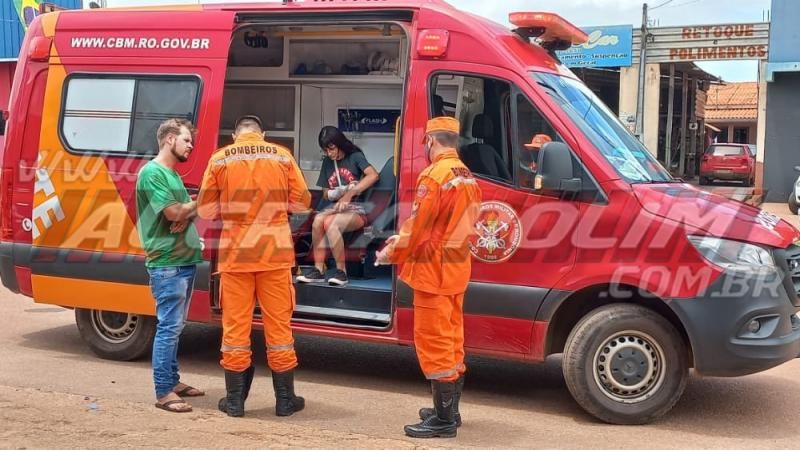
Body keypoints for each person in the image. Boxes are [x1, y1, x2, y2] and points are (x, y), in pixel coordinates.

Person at [197, 115, 311, 417]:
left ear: (236, 135)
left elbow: (205, 210)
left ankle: (234, 402)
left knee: (235, 329)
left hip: (236, 256)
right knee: (279, 329)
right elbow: (302, 202)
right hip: (275, 254)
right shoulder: (281, 155)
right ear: (263, 133)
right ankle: (285, 401)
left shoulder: (220, 159)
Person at [376, 117, 481, 438]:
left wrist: (392, 252)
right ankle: (449, 410)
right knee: (452, 339)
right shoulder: (466, 175)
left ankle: (444, 421)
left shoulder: (434, 175)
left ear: (430, 140)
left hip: (434, 270)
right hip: (456, 268)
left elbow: (418, 226)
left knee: (434, 342)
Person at [135, 118, 204, 413]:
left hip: (183, 259)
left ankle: (172, 381)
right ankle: (164, 391)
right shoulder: (153, 173)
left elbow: (185, 212)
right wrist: (190, 207)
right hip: (167, 262)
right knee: (169, 328)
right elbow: (175, 213)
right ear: (169, 139)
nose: (191, 146)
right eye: (186, 140)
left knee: (176, 327)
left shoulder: (172, 174)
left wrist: (186, 213)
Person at [296, 126, 379, 286]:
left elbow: (373, 175)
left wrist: (350, 193)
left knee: (331, 223)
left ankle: (341, 273)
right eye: (325, 150)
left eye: (332, 148)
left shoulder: (355, 156)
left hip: (357, 209)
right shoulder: (327, 162)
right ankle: (318, 270)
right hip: (336, 208)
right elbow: (326, 193)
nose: (329, 153)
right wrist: (340, 192)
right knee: (317, 220)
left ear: (340, 144)